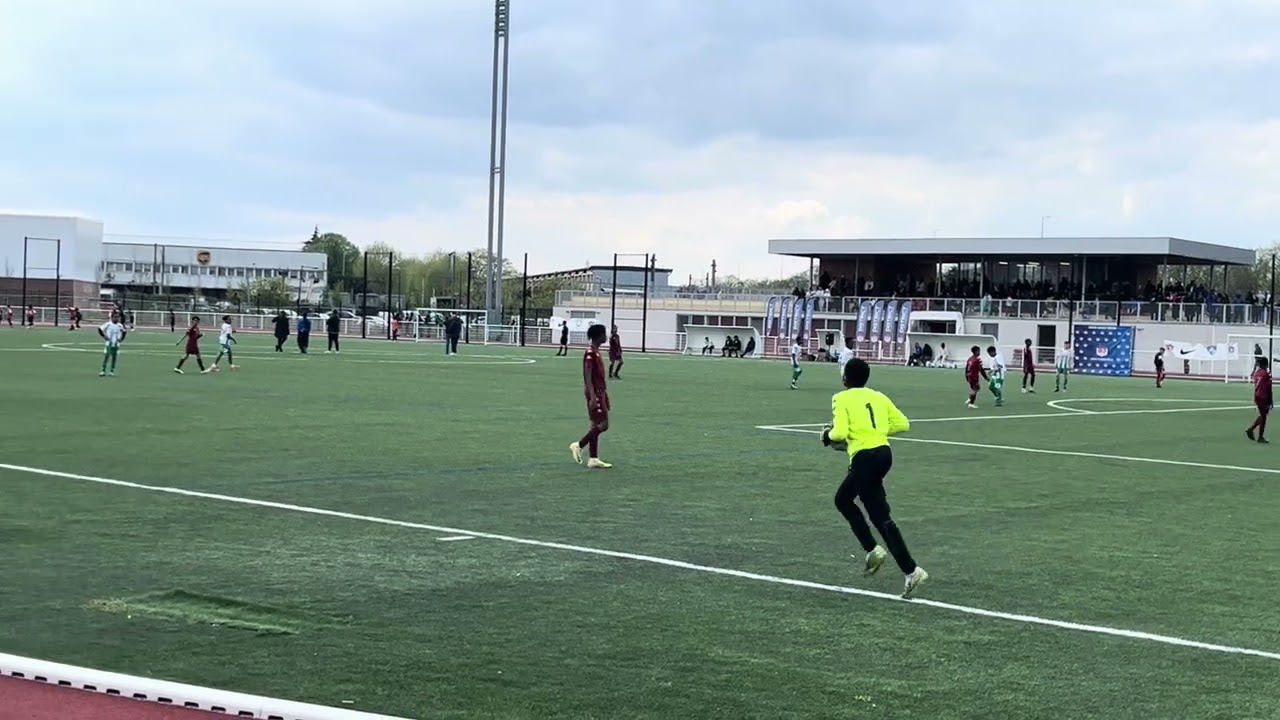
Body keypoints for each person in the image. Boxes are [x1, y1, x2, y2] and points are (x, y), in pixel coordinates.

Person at [822, 358, 928, 599]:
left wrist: (827, 435)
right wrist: (875, 431)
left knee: (861, 508)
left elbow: (838, 433)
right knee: (861, 507)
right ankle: (893, 561)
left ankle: (887, 557)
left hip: (864, 458)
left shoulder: (841, 398)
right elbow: (903, 424)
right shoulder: (879, 396)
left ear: (845, 378)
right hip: (883, 453)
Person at [570, 323, 612, 469]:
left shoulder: (597, 352)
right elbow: (587, 375)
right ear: (599, 335)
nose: (606, 336)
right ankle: (579, 445)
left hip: (600, 391)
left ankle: (593, 458)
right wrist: (593, 395)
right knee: (603, 425)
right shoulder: (590, 353)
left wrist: (605, 395)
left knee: (596, 424)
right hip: (595, 392)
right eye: (604, 333)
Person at [1247, 356, 1273, 443]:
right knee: (1264, 417)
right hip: (1263, 397)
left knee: (1263, 415)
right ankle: (1257, 434)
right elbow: (1268, 387)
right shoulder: (1267, 373)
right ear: (1266, 364)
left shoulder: (1257, 373)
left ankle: (1252, 430)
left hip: (1257, 395)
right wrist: (1270, 400)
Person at [97, 311, 126, 377]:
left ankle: (111, 371)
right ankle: (103, 370)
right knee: (107, 356)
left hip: (116, 344)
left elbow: (124, 332)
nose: (117, 318)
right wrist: (104, 336)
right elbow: (99, 329)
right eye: (115, 317)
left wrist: (121, 339)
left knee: (114, 357)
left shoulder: (120, 325)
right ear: (112, 317)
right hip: (109, 343)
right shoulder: (108, 324)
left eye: (118, 317)